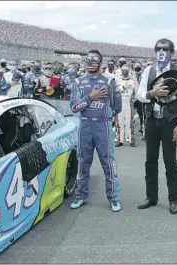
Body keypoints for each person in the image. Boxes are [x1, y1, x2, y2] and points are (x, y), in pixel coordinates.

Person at [136, 38, 177, 214]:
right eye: (158, 48)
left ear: (172, 52)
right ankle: (151, 196)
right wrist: (152, 93)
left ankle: (174, 199)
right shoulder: (148, 70)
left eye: (165, 49)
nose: (161, 52)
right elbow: (140, 94)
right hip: (152, 119)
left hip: (170, 120)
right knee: (150, 160)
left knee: (170, 161)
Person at [69, 49, 122, 212]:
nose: (91, 64)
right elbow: (74, 107)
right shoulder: (78, 82)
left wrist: (103, 116)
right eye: (88, 61)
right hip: (85, 125)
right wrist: (91, 97)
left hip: (102, 126)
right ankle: (80, 195)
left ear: (100, 62)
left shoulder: (109, 81)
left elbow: (116, 106)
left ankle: (114, 198)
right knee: (83, 162)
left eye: (94, 61)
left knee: (108, 163)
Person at [115, 64, 138, 147]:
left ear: (129, 71)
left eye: (126, 70)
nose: (125, 71)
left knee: (129, 123)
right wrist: (124, 86)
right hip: (120, 104)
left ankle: (130, 139)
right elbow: (116, 89)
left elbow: (136, 91)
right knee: (119, 123)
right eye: (123, 70)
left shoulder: (133, 80)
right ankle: (120, 140)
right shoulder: (118, 80)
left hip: (129, 104)